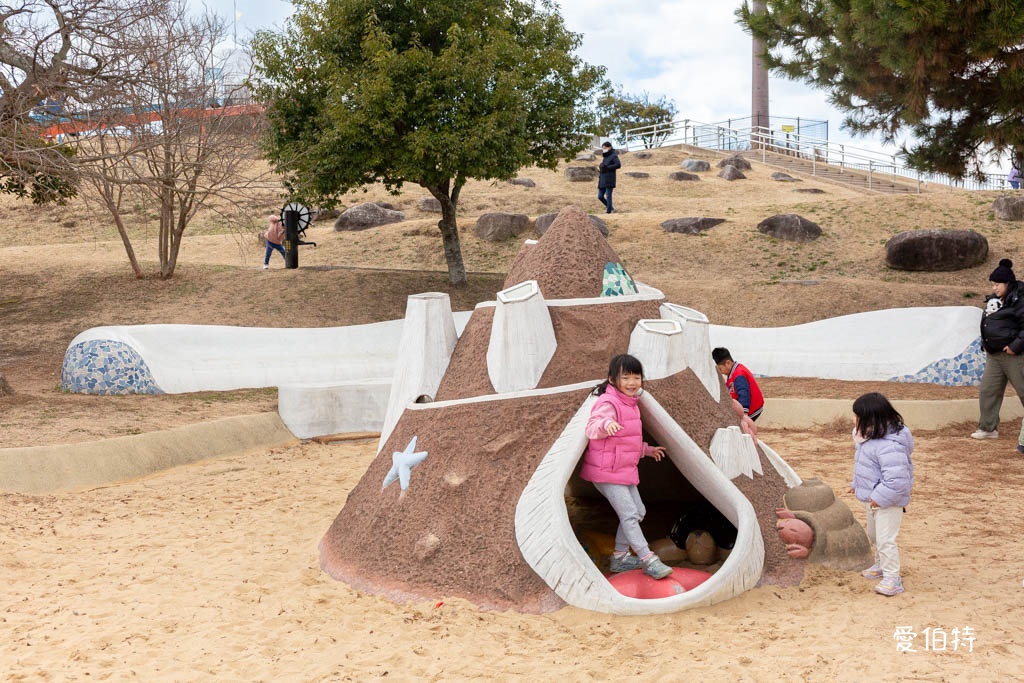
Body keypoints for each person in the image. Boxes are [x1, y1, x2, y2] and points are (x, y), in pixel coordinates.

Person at [581, 354, 674, 580]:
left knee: (638, 511)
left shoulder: (631, 404)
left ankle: (620, 556)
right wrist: (606, 424)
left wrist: (647, 450)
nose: (632, 382)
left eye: (636, 377)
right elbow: (592, 427)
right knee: (630, 514)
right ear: (613, 380)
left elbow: (627, 441)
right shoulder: (609, 402)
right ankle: (648, 559)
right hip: (606, 471)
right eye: (626, 377)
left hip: (622, 470)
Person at [848, 392, 914, 597]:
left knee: (886, 539)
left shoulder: (889, 445)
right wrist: (857, 485)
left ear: (871, 418)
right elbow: (866, 467)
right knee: (875, 535)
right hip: (873, 498)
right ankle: (879, 565)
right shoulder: (865, 437)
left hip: (888, 501)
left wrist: (880, 497)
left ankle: (892, 578)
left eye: (857, 415)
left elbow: (897, 480)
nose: (854, 419)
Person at [972, 258, 1024, 455]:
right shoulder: (995, 301)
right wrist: (985, 343)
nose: (994, 288)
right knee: (988, 390)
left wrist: (1014, 346)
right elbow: (989, 324)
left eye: (997, 284)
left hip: (1014, 355)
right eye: (992, 284)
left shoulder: (1020, 299)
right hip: (994, 355)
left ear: (1008, 283)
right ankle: (987, 428)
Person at [712, 347, 764, 421]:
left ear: (728, 363)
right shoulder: (732, 374)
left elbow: (744, 393)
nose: (721, 372)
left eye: (720, 369)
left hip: (751, 408)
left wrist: (744, 413)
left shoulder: (739, 374)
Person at [597, 141, 621, 214]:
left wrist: (607, 167)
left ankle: (609, 211)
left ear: (609, 147)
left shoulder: (614, 155)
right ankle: (611, 208)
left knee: (608, 195)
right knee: (600, 196)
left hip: (609, 179)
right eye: (603, 148)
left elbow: (618, 165)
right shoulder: (605, 156)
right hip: (602, 179)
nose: (604, 149)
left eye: (605, 148)